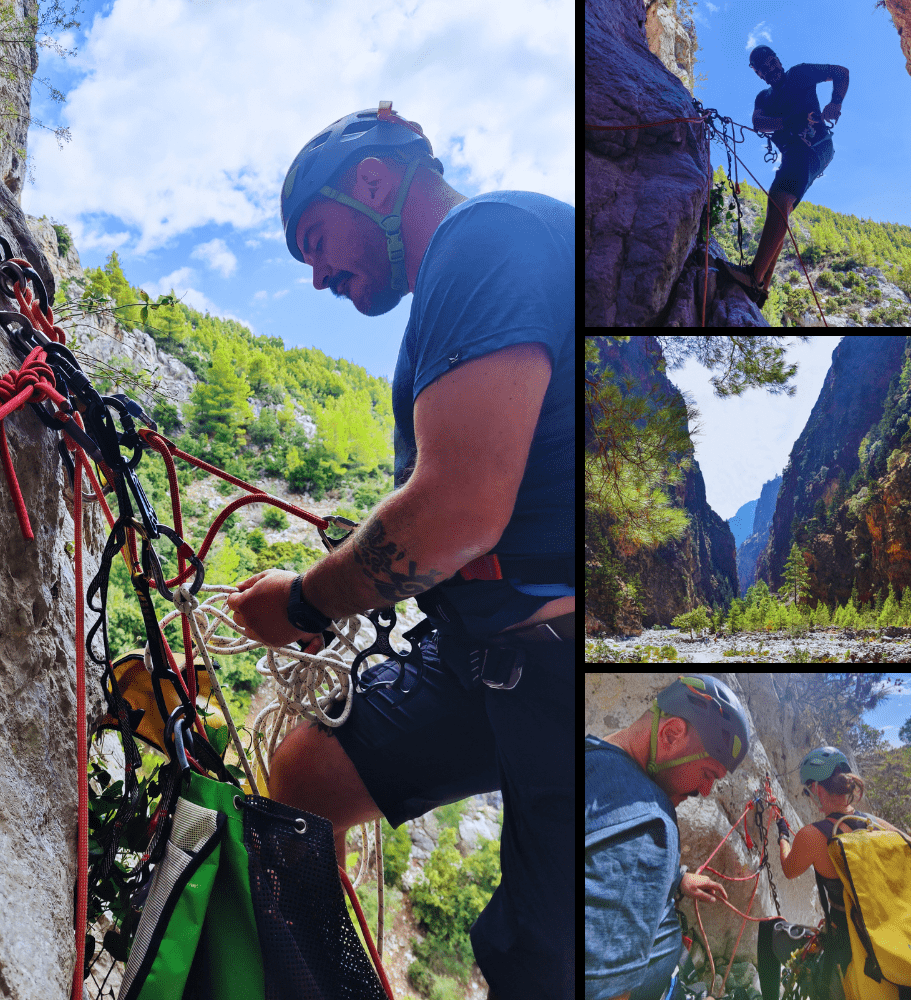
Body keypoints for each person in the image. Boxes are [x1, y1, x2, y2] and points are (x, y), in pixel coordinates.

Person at [225, 102, 575, 999]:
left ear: (374, 183)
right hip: (482, 650)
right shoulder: (478, 262)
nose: (317, 277)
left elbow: (455, 514)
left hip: (551, 661)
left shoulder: (487, 238)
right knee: (304, 778)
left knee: (538, 963)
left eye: (315, 241)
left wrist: (303, 602)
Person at [585, 675, 751, 1000]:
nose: (706, 791)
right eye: (708, 774)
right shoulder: (649, 822)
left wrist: (676, 878)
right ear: (671, 734)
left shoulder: (592, 754)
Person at [769, 747, 905, 1000]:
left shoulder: (813, 835)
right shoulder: (876, 824)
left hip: (846, 949)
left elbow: (788, 869)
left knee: (770, 932)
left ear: (817, 789)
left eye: (809, 792)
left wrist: (783, 836)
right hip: (891, 940)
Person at [717, 46, 848, 307]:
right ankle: (762, 286)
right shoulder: (763, 98)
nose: (770, 69)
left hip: (815, 145)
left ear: (778, 60)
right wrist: (789, 121)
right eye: (763, 68)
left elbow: (840, 72)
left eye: (772, 62)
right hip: (796, 154)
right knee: (780, 206)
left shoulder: (800, 74)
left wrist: (835, 102)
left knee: (779, 197)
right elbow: (758, 122)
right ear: (758, 73)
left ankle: (753, 276)